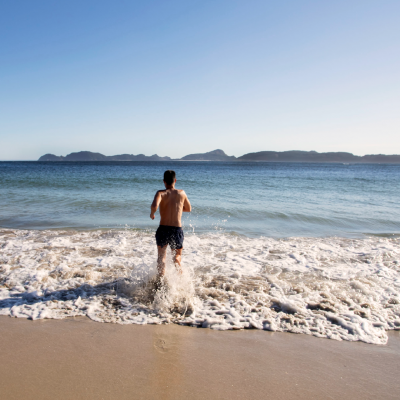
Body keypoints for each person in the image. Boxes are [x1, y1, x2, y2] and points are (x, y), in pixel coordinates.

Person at [150, 170, 191, 279]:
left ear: (164, 181)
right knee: (177, 256)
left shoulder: (160, 193)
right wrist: (177, 208)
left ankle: (161, 281)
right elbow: (188, 208)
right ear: (175, 180)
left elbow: (154, 205)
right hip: (176, 229)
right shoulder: (182, 193)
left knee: (161, 257)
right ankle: (181, 280)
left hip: (163, 229)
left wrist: (152, 213)